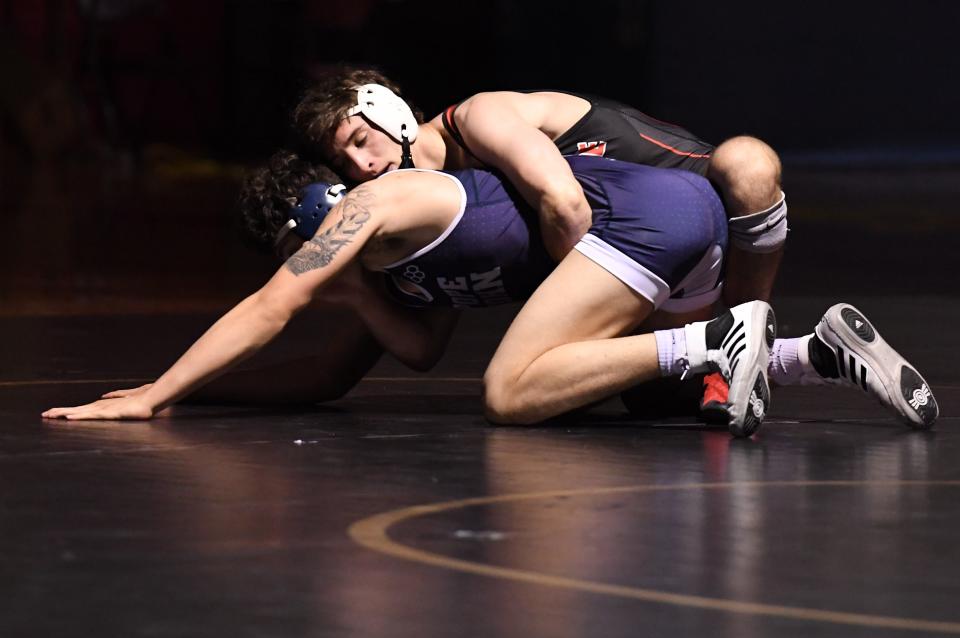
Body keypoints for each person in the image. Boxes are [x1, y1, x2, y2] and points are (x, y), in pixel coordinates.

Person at [42, 153, 939, 434]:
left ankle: (720, 337)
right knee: (638, 395)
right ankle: (814, 354)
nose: (311, 267)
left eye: (305, 249)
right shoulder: (388, 269)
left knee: (510, 392)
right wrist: (195, 400)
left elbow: (271, 307)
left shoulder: (376, 206)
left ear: (318, 219)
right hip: (661, 242)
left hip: (642, 220)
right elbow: (378, 362)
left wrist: (156, 393)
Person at [292, 67, 785, 308]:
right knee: (655, 398)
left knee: (748, 162)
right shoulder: (432, 205)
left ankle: (749, 323)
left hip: (697, 197)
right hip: (644, 250)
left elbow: (566, 205)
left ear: (389, 110)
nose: (362, 165)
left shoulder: (478, 117)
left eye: (360, 139)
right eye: (343, 161)